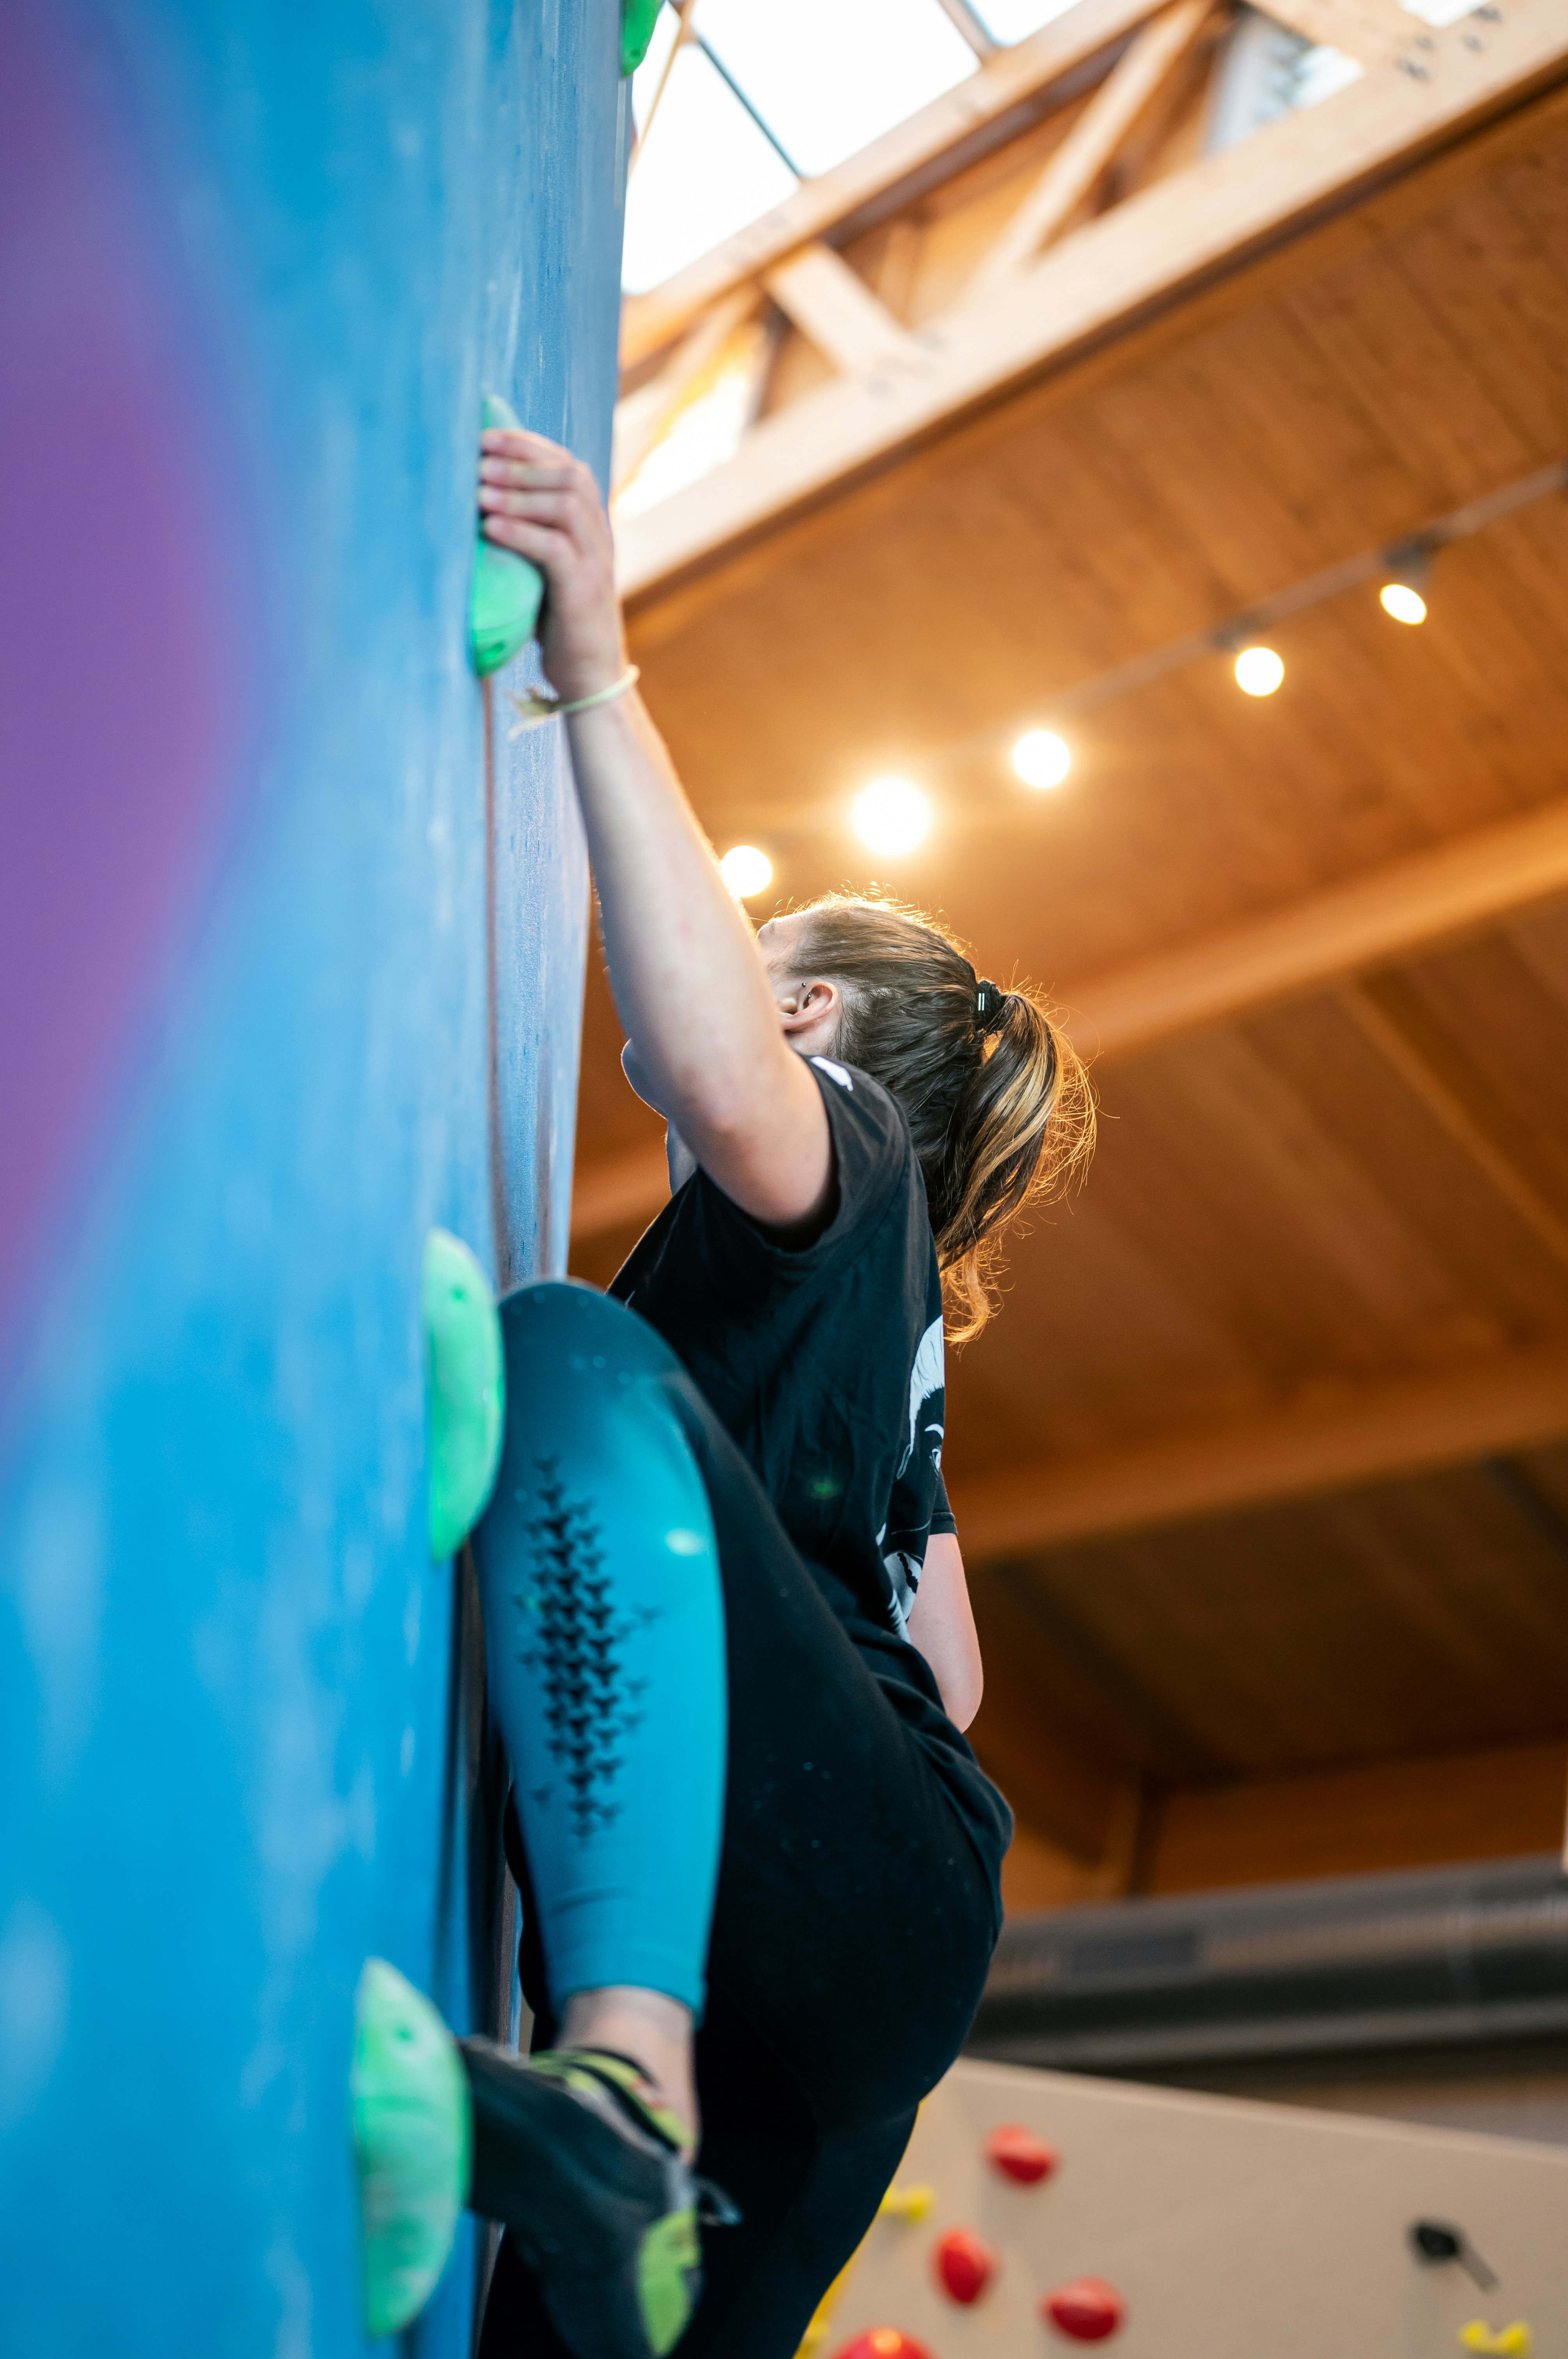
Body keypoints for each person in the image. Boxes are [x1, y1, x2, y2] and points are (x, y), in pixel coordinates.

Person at [355, 431, 1094, 2359]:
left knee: (570, 1367)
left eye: (758, 962)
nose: (697, 991)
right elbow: (951, 1681)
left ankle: (623, 2065)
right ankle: (627, 2095)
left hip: (782, 1953)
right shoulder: (882, 1345)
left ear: (811, 1021)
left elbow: (711, 1069)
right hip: (845, 1975)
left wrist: (596, 666)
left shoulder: (842, 1162)